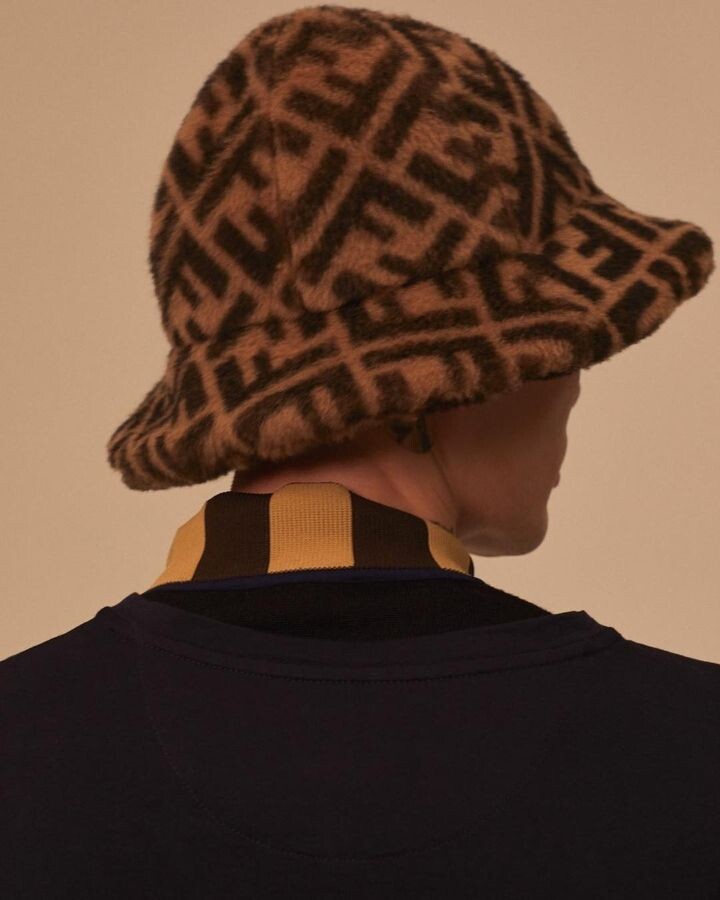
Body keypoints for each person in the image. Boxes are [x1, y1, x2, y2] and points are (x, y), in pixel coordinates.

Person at [1, 6, 717, 898]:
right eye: (567, 342)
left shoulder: (21, 747)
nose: (575, 380)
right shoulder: (693, 756)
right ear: (453, 379)